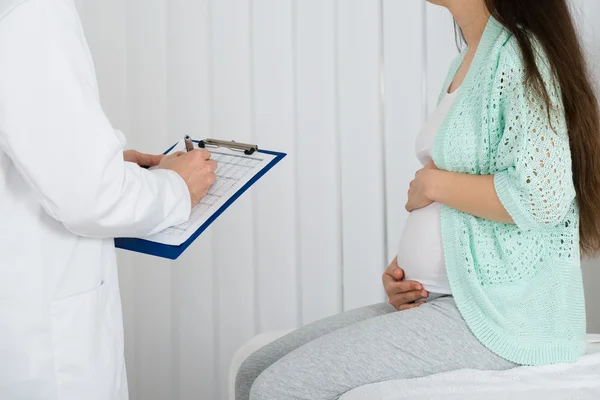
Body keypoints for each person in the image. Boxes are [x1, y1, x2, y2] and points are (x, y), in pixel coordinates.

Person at [236, 0, 600, 399]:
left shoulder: (520, 55)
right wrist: (413, 269)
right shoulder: (469, 60)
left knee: (280, 386)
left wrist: (431, 184)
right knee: (255, 369)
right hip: (442, 297)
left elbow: (543, 198)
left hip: (499, 315)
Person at [0, 0, 217, 399]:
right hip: (36, 352)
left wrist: (98, 165)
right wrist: (177, 188)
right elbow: (92, 199)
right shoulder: (31, 11)